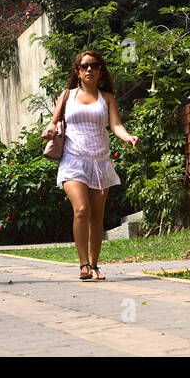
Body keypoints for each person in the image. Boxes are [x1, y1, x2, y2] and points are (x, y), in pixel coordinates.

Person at [46, 49, 137, 281]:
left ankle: (95, 265)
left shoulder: (107, 98)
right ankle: (83, 263)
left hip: (100, 162)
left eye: (94, 66)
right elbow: (54, 122)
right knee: (82, 209)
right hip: (73, 160)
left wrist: (127, 137)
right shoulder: (67, 95)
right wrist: (50, 129)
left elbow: (115, 125)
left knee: (97, 217)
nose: (89, 69)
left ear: (100, 71)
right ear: (77, 71)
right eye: (84, 66)